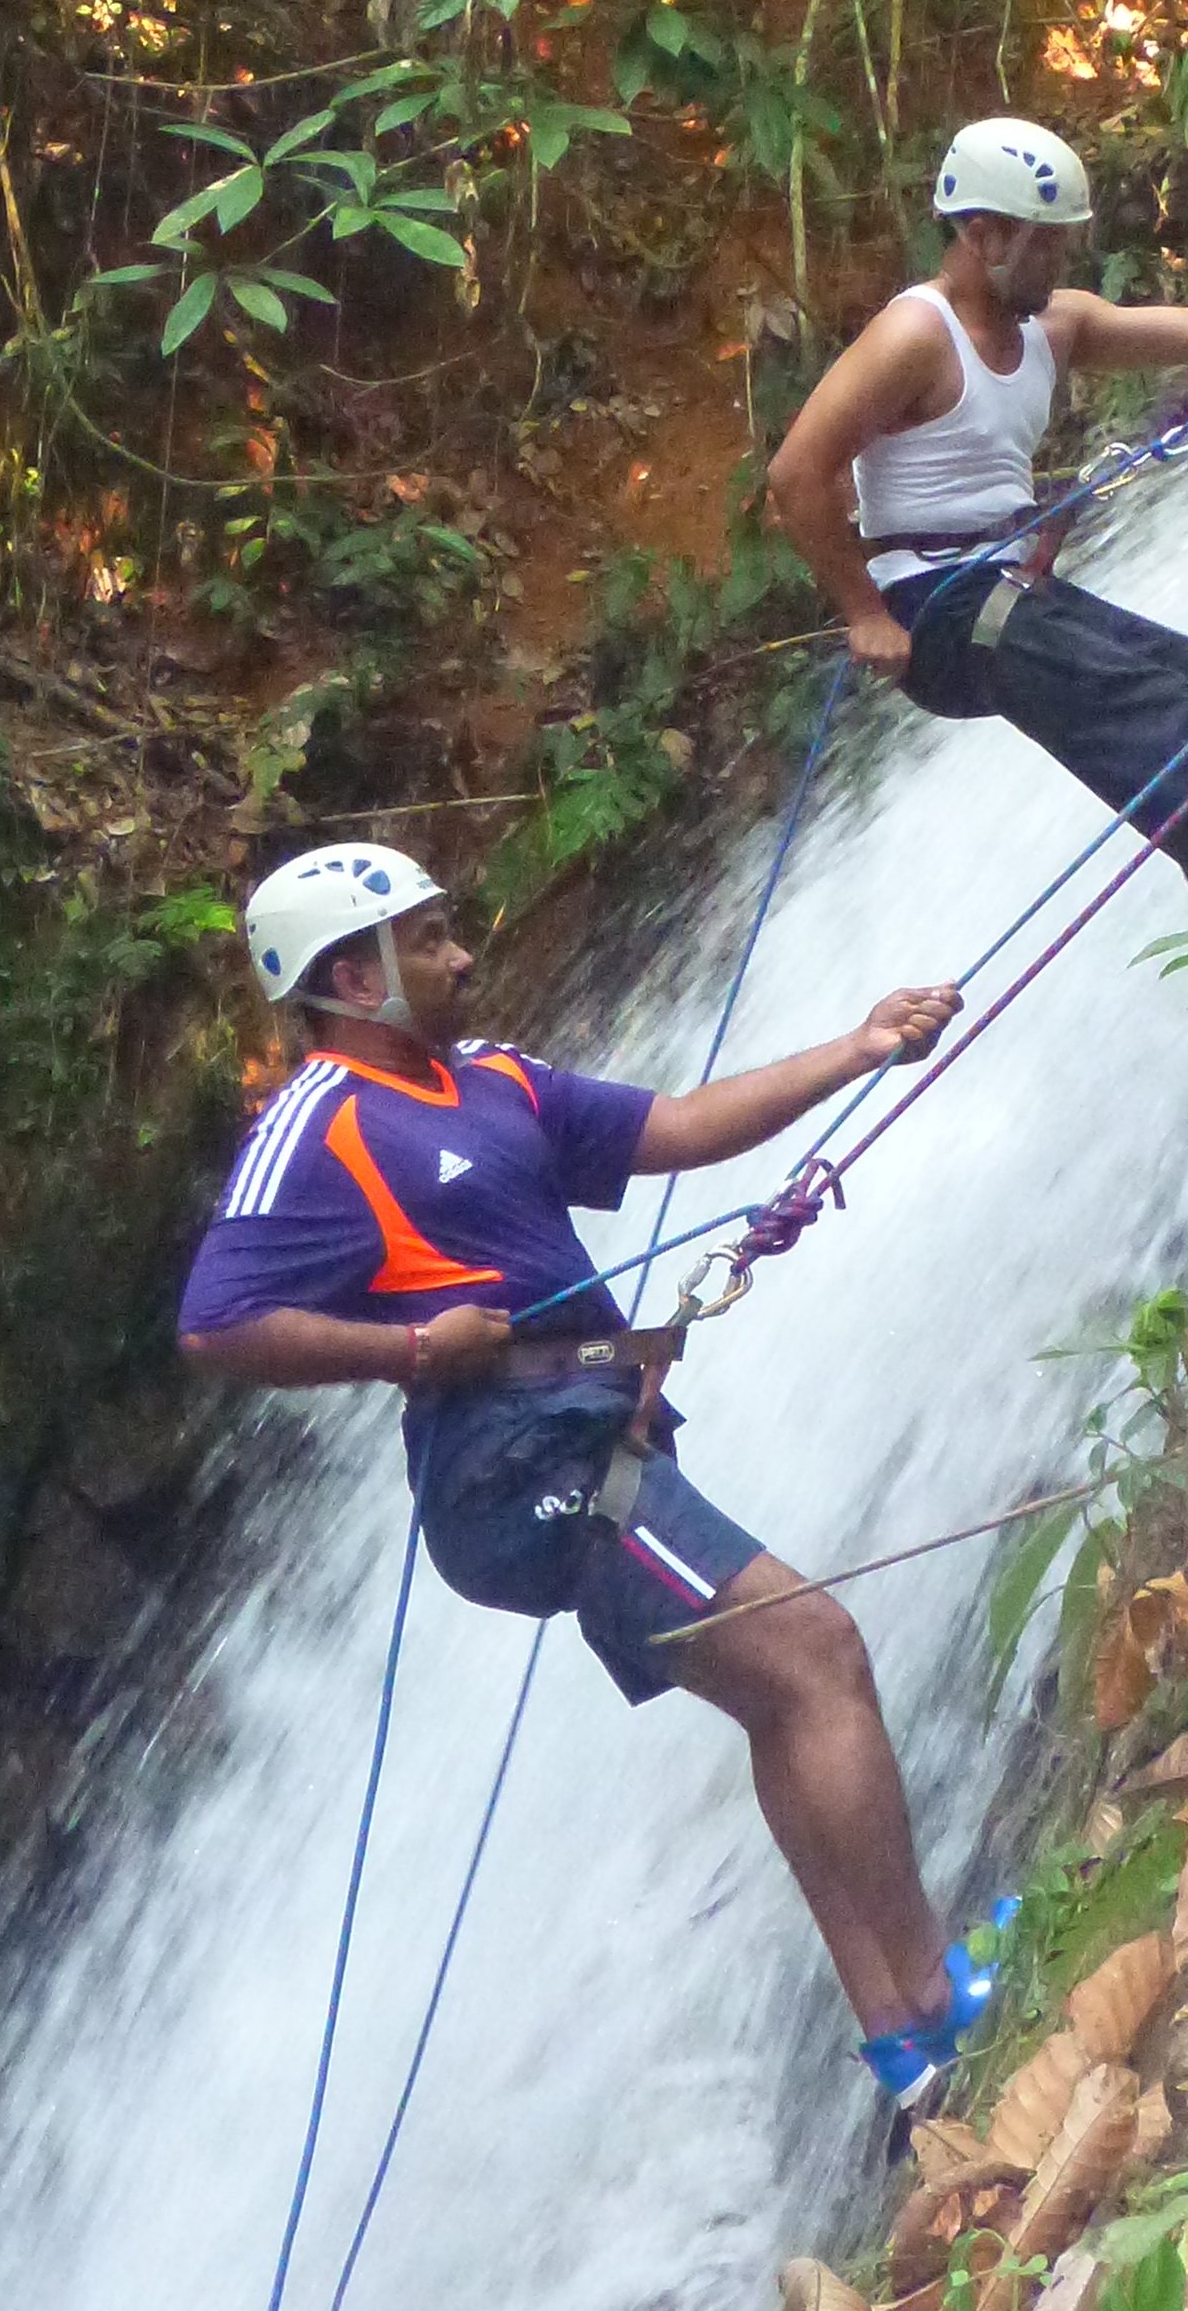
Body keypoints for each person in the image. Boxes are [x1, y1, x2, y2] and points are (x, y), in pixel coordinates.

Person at [178, 843, 987, 2105]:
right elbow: (216, 1322)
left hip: (583, 1429)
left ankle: (898, 2039)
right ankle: (938, 1993)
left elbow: (677, 1126)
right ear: (354, 977)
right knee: (818, 1651)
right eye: (429, 940)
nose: (462, 955)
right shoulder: (314, 1122)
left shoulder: (495, 1077)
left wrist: (858, 1047)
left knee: (783, 1695)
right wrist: (407, 1350)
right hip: (509, 1463)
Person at [767, 116, 1188, 920]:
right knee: (1145, 705)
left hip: (1003, 585)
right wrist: (864, 613)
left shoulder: (1056, 326)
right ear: (983, 236)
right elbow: (796, 474)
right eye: (1045, 243)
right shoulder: (914, 335)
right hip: (932, 609)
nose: (1061, 260)